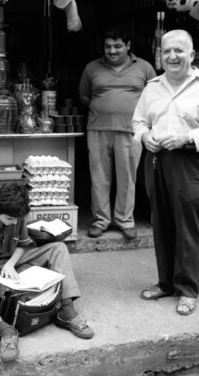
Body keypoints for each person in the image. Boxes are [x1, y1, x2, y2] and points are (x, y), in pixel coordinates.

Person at [132, 29, 199, 316]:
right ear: (160, 55)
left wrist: (186, 139)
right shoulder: (152, 87)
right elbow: (137, 122)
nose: (172, 56)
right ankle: (166, 283)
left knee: (187, 226)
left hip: (189, 161)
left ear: (192, 55)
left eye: (179, 51)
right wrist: (144, 136)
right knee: (161, 223)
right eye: (166, 51)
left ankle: (187, 289)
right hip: (156, 159)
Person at [0, 183, 94, 363]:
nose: (14, 222)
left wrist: (10, 264)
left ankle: (66, 309)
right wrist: (2, 281)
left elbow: (23, 245)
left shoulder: (17, 213)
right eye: (9, 219)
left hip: (13, 263)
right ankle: (4, 328)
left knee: (59, 248)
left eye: (17, 219)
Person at [79, 25, 157, 240]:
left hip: (131, 130)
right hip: (98, 129)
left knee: (127, 178)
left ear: (128, 46)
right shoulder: (92, 68)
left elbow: (154, 98)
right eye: (108, 47)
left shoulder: (144, 67)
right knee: (99, 178)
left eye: (117, 46)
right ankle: (100, 221)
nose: (112, 51)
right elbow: (85, 96)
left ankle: (125, 220)